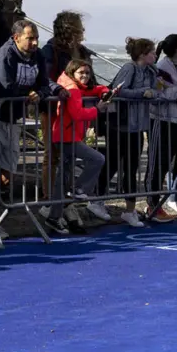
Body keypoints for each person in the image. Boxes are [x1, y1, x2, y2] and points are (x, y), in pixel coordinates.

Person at [0, 19, 58, 239]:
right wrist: (27, 94)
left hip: (12, 118)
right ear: (16, 37)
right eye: (30, 38)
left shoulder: (37, 55)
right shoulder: (6, 54)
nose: (34, 42)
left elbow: (43, 82)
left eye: (36, 38)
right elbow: (4, 85)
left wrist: (39, 92)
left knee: (8, 172)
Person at [44, 59, 111, 234]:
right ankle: (78, 189)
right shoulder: (72, 90)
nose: (85, 76)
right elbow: (77, 113)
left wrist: (105, 91)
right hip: (67, 137)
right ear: (73, 73)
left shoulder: (75, 85)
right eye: (81, 73)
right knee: (98, 158)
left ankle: (54, 215)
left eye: (88, 73)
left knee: (62, 178)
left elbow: (94, 88)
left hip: (68, 136)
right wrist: (98, 108)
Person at [105, 37, 159, 227]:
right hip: (122, 124)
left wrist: (153, 92)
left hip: (138, 126)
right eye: (152, 52)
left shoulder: (151, 71)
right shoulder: (129, 68)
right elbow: (116, 90)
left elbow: (156, 89)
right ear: (143, 54)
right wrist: (141, 93)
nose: (155, 55)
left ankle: (129, 210)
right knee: (112, 163)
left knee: (132, 167)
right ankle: (96, 200)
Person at [149, 34, 177, 220]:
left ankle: (166, 200)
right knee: (158, 163)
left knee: (173, 160)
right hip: (161, 118)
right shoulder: (162, 67)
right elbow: (160, 94)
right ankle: (153, 204)